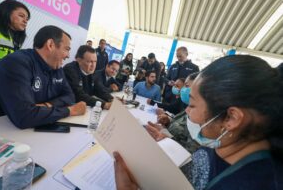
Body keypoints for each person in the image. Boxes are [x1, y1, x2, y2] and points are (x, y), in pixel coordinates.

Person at [114, 55, 283, 190]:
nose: (186, 111)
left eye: (193, 105)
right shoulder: (222, 143)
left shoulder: (250, 183)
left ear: (231, 118)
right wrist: (166, 142)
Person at [0, 25, 86, 129]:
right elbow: (24, 116)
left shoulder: (56, 68)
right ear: (50, 45)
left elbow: (69, 96)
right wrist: (71, 110)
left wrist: (47, 105)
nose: (68, 55)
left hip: (24, 130)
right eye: (67, 49)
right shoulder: (16, 63)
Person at [146, 73, 199, 153]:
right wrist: (168, 122)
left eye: (186, 86)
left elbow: (188, 153)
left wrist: (165, 136)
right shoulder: (189, 107)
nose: (182, 90)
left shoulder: (201, 119)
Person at [0, 0, 30, 85]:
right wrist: (3, 63)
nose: (25, 21)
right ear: (7, 12)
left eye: (27, 19)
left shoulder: (14, 37)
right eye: (21, 16)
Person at [63, 45, 112, 110]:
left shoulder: (89, 71)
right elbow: (79, 95)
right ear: (79, 60)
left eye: (95, 61)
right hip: (68, 108)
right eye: (90, 61)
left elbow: (97, 89)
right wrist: (104, 104)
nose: (93, 65)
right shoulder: (70, 70)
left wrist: (111, 99)